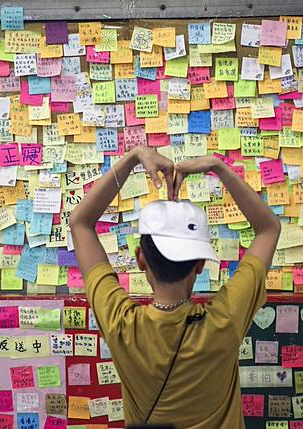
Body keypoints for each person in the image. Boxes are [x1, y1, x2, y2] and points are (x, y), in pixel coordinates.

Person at [69, 146, 281, 429]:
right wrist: (218, 167)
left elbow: (80, 223)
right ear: (199, 265)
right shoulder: (225, 321)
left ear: (140, 259)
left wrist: (134, 157)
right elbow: (269, 228)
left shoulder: (121, 324)